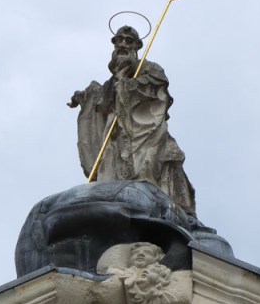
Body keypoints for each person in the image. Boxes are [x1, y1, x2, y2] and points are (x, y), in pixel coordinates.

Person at [68, 25, 196, 215]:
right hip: (115, 134)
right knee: (111, 167)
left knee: (149, 164)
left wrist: (127, 85)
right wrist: (86, 97)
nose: (123, 44)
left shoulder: (150, 68)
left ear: (136, 46)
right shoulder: (111, 82)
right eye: (119, 40)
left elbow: (157, 91)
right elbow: (101, 103)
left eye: (128, 41)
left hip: (145, 130)